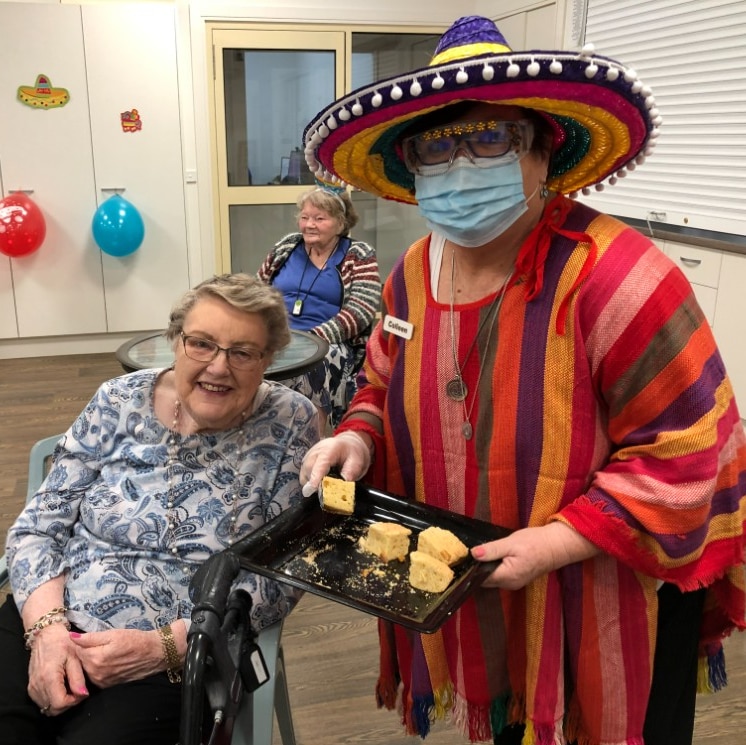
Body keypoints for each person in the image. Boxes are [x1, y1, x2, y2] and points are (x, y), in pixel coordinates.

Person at [299, 15, 746, 745]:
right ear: (410, 168)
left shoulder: (621, 278)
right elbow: (382, 377)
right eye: (434, 148)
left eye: (489, 138)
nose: (459, 166)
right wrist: (357, 433)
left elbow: (691, 449)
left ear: (544, 152)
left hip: (603, 592)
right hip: (476, 585)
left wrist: (560, 540)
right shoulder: (415, 271)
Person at [0, 274, 319, 745]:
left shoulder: (291, 421)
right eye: (201, 344)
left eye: (243, 352)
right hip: (52, 614)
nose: (218, 367)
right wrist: (47, 633)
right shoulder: (117, 400)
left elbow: (280, 572)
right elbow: (39, 528)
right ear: (176, 341)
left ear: (267, 360)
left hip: (174, 653)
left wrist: (167, 646)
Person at [257, 186, 381, 429]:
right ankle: (262, 432)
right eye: (304, 217)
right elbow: (256, 292)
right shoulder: (287, 246)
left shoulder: (358, 254)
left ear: (340, 223)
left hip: (327, 341)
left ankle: (311, 436)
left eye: (319, 218)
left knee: (316, 366)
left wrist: (313, 338)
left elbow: (361, 310)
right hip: (278, 335)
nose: (309, 225)